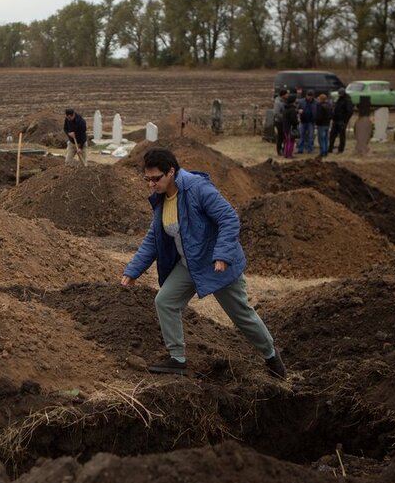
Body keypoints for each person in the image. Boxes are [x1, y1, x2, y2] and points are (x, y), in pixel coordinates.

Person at [120, 148, 287, 379]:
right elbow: (153, 238)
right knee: (165, 301)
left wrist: (222, 255)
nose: (151, 184)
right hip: (190, 263)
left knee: (241, 316)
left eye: (156, 179)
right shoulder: (161, 198)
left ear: (171, 172)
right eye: (147, 179)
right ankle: (177, 359)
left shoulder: (197, 188)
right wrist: (133, 271)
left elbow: (229, 218)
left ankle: (271, 356)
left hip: (219, 265)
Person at [331, 88, 354, 154]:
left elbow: (349, 111)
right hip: (336, 120)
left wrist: (345, 120)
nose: (339, 95)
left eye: (340, 94)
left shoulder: (347, 100)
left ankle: (341, 149)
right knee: (332, 135)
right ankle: (330, 148)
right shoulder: (339, 99)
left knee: (342, 136)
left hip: (342, 121)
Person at [282, 94, 299, 159]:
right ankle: (289, 154)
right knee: (291, 141)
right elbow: (293, 119)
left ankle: (285, 154)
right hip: (290, 127)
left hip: (285, 126)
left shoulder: (286, 108)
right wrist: (297, 122)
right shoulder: (292, 109)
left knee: (286, 141)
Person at [273, 89, 288, 156]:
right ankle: (279, 151)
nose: (288, 95)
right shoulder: (278, 102)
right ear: (283, 95)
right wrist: (284, 117)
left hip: (283, 121)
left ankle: (283, 149)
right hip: (279, 122)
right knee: (280, 137)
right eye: (286, 94)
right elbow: (276, 113)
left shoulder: (284, 101)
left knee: (284, 137)